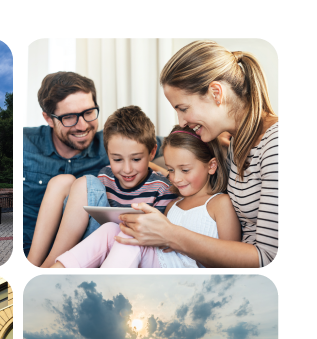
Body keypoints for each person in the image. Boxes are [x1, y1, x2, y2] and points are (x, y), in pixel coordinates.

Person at [114, 40, 279, 268]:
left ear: (215, 93)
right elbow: (189, 168)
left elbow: (268, 258)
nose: (182, 122)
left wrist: (171, 234)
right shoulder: (233, 143)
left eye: (183, 108)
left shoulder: (275, 144)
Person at [23, 71, 168, 260]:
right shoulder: (25, 143)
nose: (82, 125)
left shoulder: (114, 144)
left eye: (89, 113)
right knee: (63, 181)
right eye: (69, 117)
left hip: (87, 247)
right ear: (49, 118)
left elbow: (173, 144)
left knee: (76, 182)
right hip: (30, 247)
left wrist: (216, 134)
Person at [50, 125, 240, 268]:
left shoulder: (219, 204)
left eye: (185, 170)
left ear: (211, 166)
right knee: (111, 229)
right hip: (159, 261)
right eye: (171, 170)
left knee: (129, 238)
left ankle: (105, 291)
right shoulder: (173, 204)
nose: (176, 178)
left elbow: (231, 257)